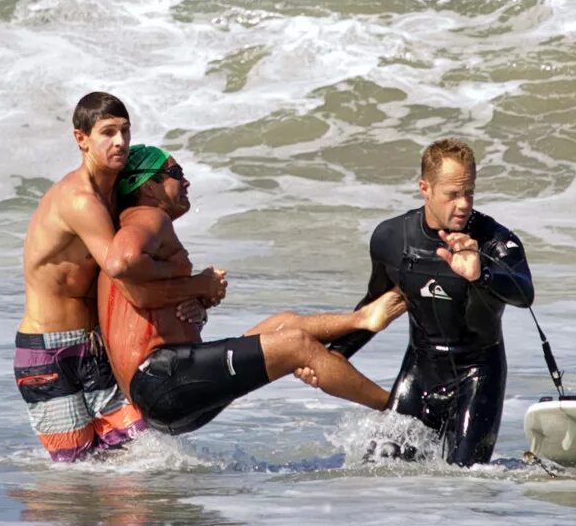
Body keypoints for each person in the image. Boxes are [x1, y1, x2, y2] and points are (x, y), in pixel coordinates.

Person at [100, 145, 408, 436]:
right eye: (177, 173)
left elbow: (146, 299)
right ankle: (401, 410)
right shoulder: (148, 216)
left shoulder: (138, 224)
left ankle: (363, 319)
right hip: (164, 380)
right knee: (296, 345)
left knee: (283, 324)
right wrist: (198, 284)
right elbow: (122, 261)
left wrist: (198, 299)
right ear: (149, 186)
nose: (187, 181)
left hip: (167, 386)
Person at [14, 93, 202, 462]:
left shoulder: (116, 193)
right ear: (80, 139)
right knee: (77, 471)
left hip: (95, 346)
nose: (120, 142)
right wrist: (189, 280)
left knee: (145, 454)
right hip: (48, 352)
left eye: (126, 131)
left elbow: (146, 248)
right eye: (108, 132)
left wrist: (190, 299)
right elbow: (123, 268)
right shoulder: (80, 199)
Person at [324, 139, 533, 465]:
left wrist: (481, 275)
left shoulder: (493, 241)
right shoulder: (392, 239)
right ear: (425, 188)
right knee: (374, 473)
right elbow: (373, 307)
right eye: (452, 194)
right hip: (418, 375)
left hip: (478, 377)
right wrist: (330, 355)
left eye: (470, 193)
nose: (464, 204)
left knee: (466, 481)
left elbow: (524, 292)